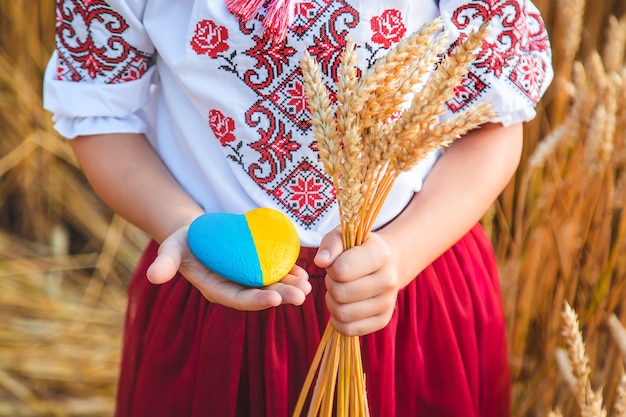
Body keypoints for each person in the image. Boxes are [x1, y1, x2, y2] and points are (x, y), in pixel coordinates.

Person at [44, 0, 553, 416]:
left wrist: (401, 254)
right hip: (216, 304)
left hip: (408, 291)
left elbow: (494, 123)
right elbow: (99, 112)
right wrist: (182, 227)